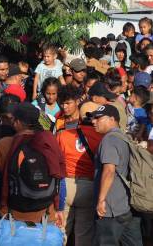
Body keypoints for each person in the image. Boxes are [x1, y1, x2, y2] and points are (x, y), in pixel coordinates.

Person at [0, 103, 65, 226]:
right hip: (46, 214)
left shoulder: (4, 144)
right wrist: (59, 208)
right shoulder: (49, 143)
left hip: (12, 215)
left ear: (17, 122)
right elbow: (60, 178)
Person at [90, 104, 143, 245]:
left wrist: (101, 200)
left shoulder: (109, 140)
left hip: (110, 209)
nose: (93, 121)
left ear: (112, 119)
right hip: (127, 207)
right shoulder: (123, 137)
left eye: (98, 118)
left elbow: (109, 170)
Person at [55, 99, 102, 245]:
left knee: (60, 229)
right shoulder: (102, 137)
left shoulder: (63, 134)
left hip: (65, 185)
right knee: (84, 234)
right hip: (89, 186)